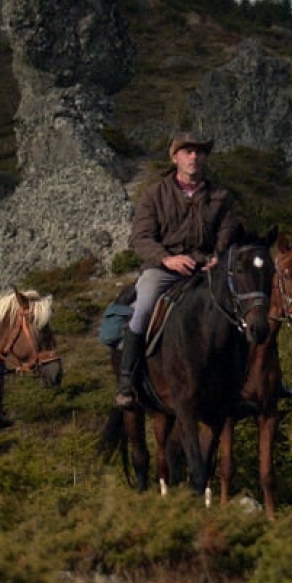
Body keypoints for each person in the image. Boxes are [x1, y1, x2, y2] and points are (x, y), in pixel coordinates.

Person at [114, 131, 240, 408]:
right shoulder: (155, 195)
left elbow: (227, 230)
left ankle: (251, 382)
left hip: (205, 268)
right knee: (144, 305)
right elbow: (140, 238)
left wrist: (218, 255)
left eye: (199, 152)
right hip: (164, 268)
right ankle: (127, 380)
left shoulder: (220, 196)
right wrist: (166, 259)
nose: (194, 156)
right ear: (175, 158)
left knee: (243, 307)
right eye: (187, 151)